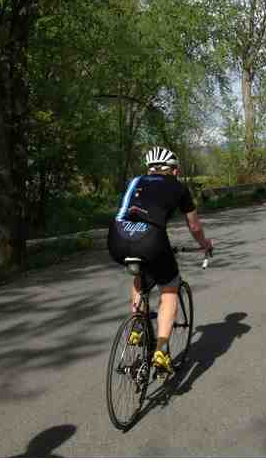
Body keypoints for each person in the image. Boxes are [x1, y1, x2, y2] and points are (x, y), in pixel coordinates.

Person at [107, 146, 213, 375]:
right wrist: (204, 244)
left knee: (140, 272)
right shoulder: (179, 187)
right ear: (174, 170)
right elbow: (194, 226)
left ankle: (137, 324)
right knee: (170, 288)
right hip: (150, 239)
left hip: (117, 238)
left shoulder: (134, 181)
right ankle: (161, 351)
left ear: (149, 169)